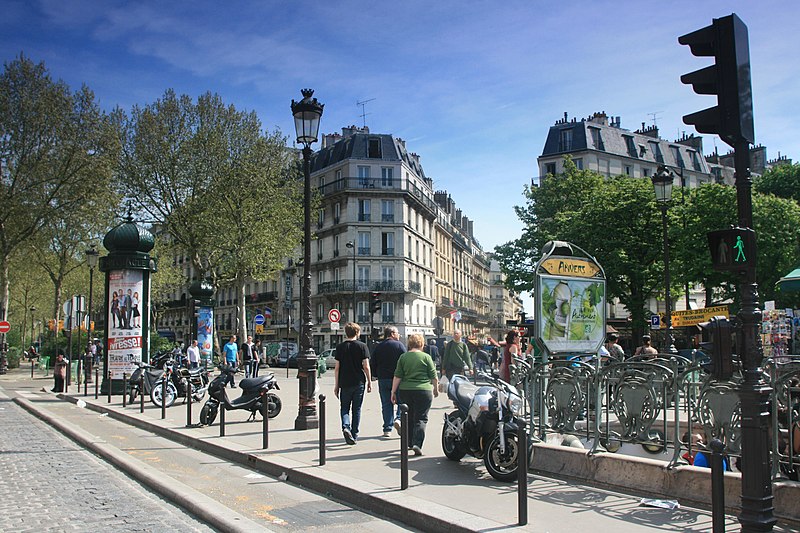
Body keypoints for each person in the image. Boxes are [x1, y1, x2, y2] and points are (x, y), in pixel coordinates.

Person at [391, 333, 439, 456]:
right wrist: (435, 388)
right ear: (422, 344)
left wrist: (393, 391)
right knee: (421, 418)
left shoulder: (403, 357)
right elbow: (433, 375)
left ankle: (410, 443)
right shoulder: (426, 357)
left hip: (406, 390)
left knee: (409, 417)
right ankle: (417, 444)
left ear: (409, 344)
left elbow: (398, 376)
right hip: (424, 390)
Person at [334, 322, 372, 445]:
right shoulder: (362, 346)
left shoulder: (340, 347)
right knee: (357, 409)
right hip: (358, 382)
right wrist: (370, 381)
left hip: (344, 382)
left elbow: (337, 368)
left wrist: (336, 385)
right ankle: (354, 434)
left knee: (344, 408)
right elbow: (366, 366)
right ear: (357, 332)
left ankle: (346, 427)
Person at [370, 326, 407, 437]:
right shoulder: (399, 345)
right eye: (397, 333)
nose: (398, 335)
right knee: (401, 402)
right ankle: (399, 419)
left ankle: (387, 429)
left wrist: (376, 375)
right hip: (398, 378)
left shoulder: (379, 346)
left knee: (386, 404)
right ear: (391, 334)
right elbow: (405, 359)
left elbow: (373, 362)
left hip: (383, 378)